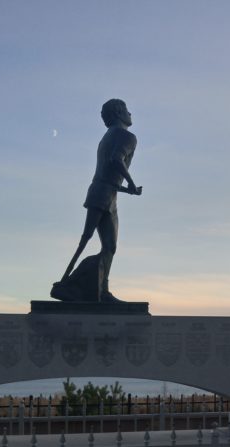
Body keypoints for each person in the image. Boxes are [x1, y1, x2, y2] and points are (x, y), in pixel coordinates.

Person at [59, 99, 141, 302]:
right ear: (120, 112)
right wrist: (131, 183)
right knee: (91, 241)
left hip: (105, 193)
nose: (131, 113)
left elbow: (107, 175)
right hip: (103, 195)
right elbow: (116, 159)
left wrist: (127, 190)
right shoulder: (126, 136)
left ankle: (100, 290)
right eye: (127, 110)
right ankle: (74, 285)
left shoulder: (107, 137)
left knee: (106, 245)